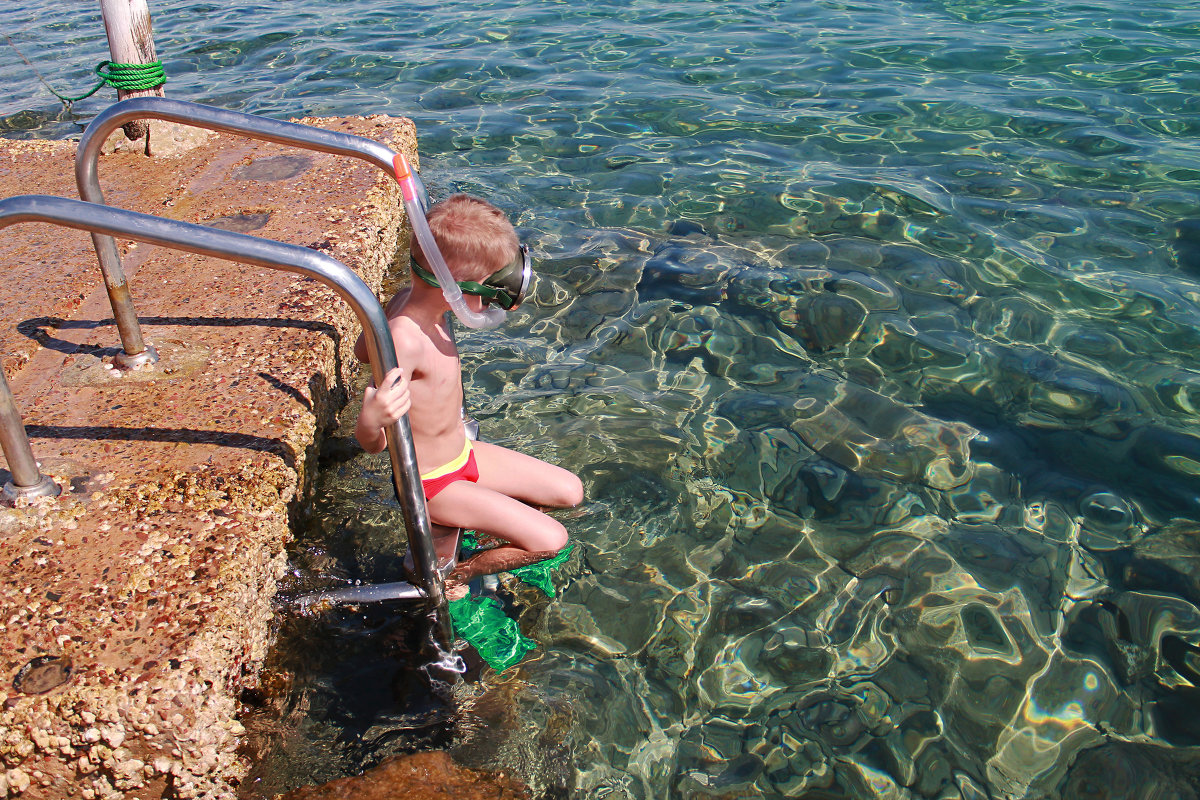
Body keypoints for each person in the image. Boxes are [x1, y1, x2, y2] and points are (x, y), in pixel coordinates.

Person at [353, 194, 583, 594]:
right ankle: (462, 573)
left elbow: (362, 349)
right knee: (553, 541)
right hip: (433, 484)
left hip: (463, 453)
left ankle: (495, 524)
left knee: (570, 491)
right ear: (455, 288)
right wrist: (372, 419)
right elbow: (373, 446)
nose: (494, 302)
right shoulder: (406, 336)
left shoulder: (417, 305)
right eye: (492, 290)